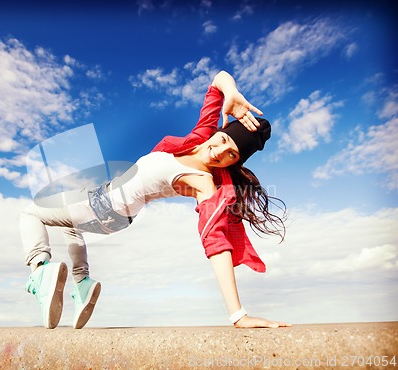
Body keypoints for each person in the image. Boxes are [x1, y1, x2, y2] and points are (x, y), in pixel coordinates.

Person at [20, 70, 290, 329]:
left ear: (234, 162)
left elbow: (215, 242)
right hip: (108, 206)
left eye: (231, 154)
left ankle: (39, 271)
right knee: (70, 226)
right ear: (218, 132)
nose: (218, 152)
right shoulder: (197, 140)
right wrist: (231, 92)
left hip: (104, 207)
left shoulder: (203, 182)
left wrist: (238, 315)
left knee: (31, 214)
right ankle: (82, 284)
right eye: (221, 140)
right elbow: (217, 81)